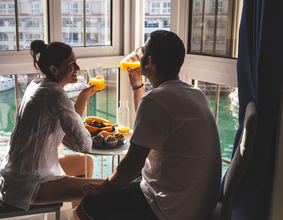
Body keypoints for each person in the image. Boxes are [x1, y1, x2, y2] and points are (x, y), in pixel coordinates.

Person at [77, 30, 222, 220]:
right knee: (125, 180)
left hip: (170, 208)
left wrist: (102, 188)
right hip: (200, 203)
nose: (138, 55)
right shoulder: (195, 93)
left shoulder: (155, 100)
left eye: (142, 51)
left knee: (86, 207)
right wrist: (137, 86)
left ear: (150, 62)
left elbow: (132, 164)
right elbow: (149, 125)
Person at [0, 40, 104, 219]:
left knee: (86, 163)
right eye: (71, 64)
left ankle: (76, 218)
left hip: (13, 174)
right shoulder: (55, 93)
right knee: (104, 187)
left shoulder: (37, 84)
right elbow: (84, 144)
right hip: (28, 184)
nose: (77, 67)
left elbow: (63, 129)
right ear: (54, 69)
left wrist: (83, 96)